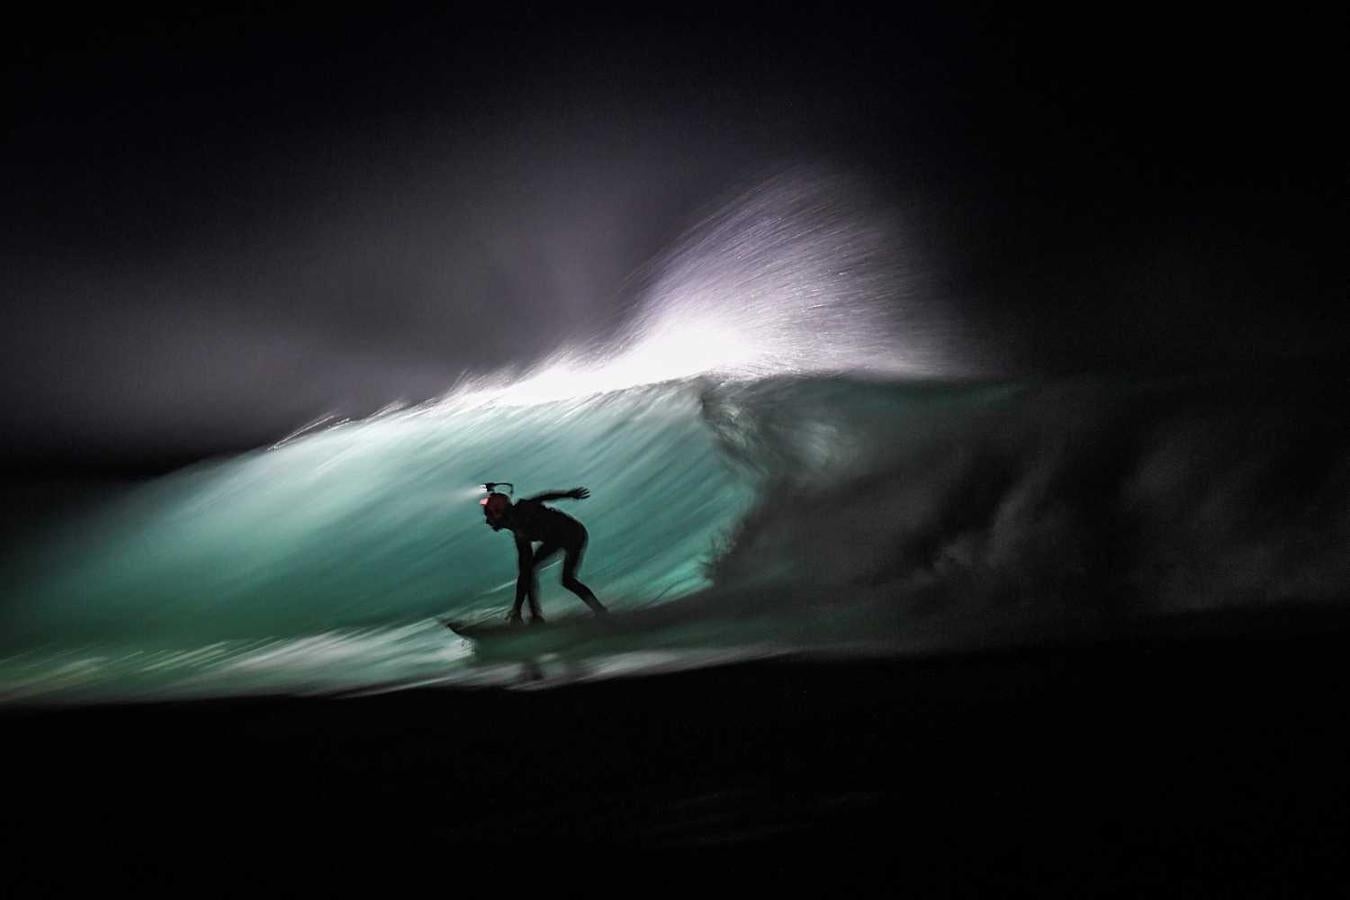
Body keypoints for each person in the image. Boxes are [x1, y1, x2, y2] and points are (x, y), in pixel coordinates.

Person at [481, 486, 606, 624]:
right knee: (532, 571)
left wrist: (568, 494)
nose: (487, 521)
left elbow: (543, 497)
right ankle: (536, 617)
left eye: (489, 515)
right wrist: (517, 609)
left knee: (567, 580)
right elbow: (524, 574)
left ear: (499, 512)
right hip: (558, 539)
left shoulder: (524, 508)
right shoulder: (520, 535)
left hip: (574, 533)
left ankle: (600, 612)